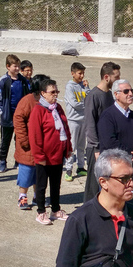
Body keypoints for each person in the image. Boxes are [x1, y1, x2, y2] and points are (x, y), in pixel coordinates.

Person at [97, 79, 133, 203]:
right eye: (126, 91)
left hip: (131, 168)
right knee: (112, 204)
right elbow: (110, 142)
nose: (130, 94)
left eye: (131, 90)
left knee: (129, 203)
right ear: (116, 95)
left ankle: (128, 222)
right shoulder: (108, 116)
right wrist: (131, 155)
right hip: (114, 170)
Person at [28, 79, 72, 224]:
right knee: (41, 185)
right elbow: (35, 136)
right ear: (43, 94)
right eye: (52, 92)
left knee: (56, 184)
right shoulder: (38, 110)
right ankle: (41, 212)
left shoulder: (57, 108)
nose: (55, 94)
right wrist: (39, 155)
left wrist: (68, 148)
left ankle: (55, 210)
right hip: (44, 156)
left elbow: (65, 128)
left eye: (56, 91)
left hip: (58, 155)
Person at [84, 61, 121, 202]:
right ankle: (87, 215)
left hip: (108, 146)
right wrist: (96, 149)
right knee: (93, 186)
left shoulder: (110, 95)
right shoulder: (94, 96)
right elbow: (90, 124)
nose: (118, 81)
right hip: (96, 148)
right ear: (106, 77)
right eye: (116, 78)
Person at [13, 74, 50, 210]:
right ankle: (22, 197)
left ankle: (37, 196)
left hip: (42, 146)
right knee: (26, 172)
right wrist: (24, 141)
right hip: (28, 147)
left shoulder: (47, 102)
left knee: (39, 173)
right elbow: (18, 119)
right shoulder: (27, 101)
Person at [0, 54, 30, 173]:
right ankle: (2, 162)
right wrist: (1, 111)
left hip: (21, 117)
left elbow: (28, 96)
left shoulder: (23, 81)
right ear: (8, 67)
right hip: (7, 116)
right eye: (15, 66)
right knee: (5, 140)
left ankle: (18, 160)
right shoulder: (3, 81)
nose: (17, 69)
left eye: (18, 66)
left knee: (20, 139)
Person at [64, 62, 90, 182]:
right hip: (73, 120)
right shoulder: (70, 87)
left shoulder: (82, 85)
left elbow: (89, 98)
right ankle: (68, 169)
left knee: (81, 145)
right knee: (72, 145)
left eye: (83, 73)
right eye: (79, 73)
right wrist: (86, 105)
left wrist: (87, 88)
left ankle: (80, 167)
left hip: (83, 120)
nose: (82, 76)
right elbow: (75, 104)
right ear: (72, 73)